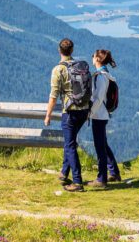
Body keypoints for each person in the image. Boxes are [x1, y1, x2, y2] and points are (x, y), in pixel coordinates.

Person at [44, 38, 91, 192]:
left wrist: (48, 115)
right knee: (69, 142)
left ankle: (77, 182)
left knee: (70, 145)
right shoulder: (80, 66)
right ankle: (64, 173)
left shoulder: (58, 70)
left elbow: (53, 96)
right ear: (72, 51)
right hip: (84, 111)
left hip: (69, 112)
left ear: (59, 50)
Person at [85, 49, 122, 189]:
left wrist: (89, 113)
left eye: (93, 56)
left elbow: (99, 98)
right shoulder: (107, 75)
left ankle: (101, 179)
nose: (92, 57)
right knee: (104, 145)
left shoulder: (100, 76)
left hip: (99, 115)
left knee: (99, 147)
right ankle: (114, 172)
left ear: (98, 59)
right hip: (103, 114)